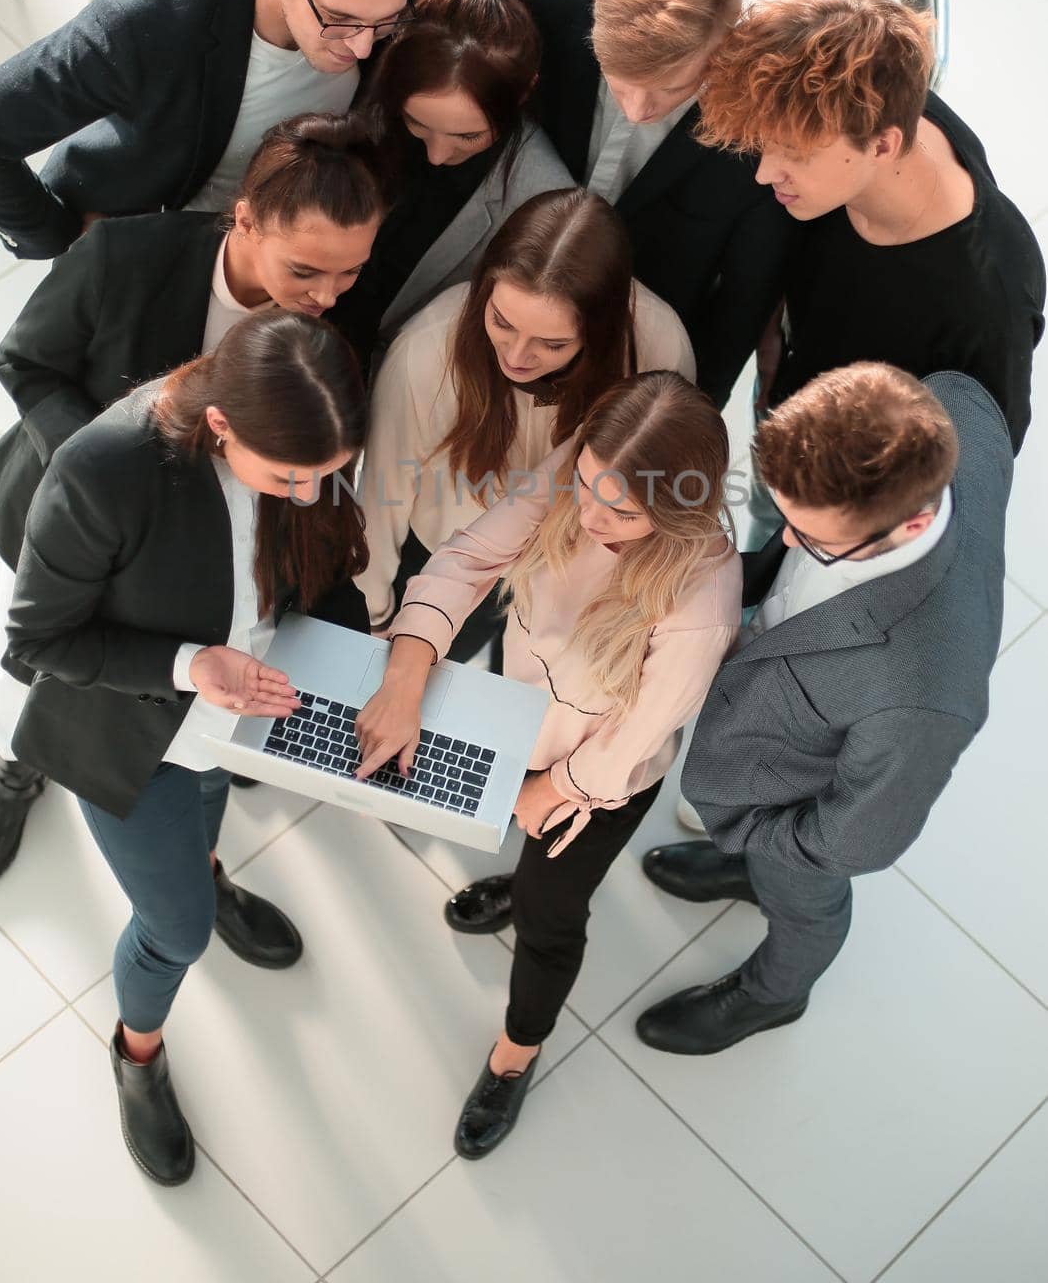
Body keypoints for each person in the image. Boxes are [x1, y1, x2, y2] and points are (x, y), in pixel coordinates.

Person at [4, 313, 370, 1184]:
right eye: (292, 477)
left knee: (205, 819)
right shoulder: (103, 471)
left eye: (329, 475)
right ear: (219, 425)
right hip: (132, 731)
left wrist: (368, 678)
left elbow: (319, 569)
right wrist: (189, 664)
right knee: (175, 930)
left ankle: (202, 868)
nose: (311, 494)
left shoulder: (297, 448)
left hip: (236, 721)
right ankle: (137, 1053)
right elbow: (36, 642)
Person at [0, 112, 386, 885]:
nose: (328, 296)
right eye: (306, 271)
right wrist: (101, 469)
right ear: (245, 220)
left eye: (350, 273)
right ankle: (15, 767)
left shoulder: (325, 322)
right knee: (34, 663)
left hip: (207, 548)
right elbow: (25, 362)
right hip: (73, 518)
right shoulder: (125, 256)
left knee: (170, 673)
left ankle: (195, 858)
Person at [355, 372, 742, 1156]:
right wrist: (405, 670)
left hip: (595, 780)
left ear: (675, 511)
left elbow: (636, 739)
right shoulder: (575, 471)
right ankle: (516, 876)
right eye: (588, 486)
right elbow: (465, 561)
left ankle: (515, 1054)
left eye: (619, 509)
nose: (590, 513)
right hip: (520, 716)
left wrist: (555, 787)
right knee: (513, 841)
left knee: (550, 917)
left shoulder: (700, 600)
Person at [635, 363, 1010, 1056]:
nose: (784, 541)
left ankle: (772, 996)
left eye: (812, 538)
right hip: (769, 768)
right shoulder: (954, 402)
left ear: (913, 519)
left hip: (795, 809)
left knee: (805, 900)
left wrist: (763, 836)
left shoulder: (918, 693)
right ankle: (742, 864)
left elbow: (855, 840)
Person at [0, 0, 458, 259]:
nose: (361, 46)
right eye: (340, 19)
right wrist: (60, 237)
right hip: (160, 241)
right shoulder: (153, 21)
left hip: (301, 241)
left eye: (384, 23)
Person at [695, 0, 1045, 454]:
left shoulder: (987, 308)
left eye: (793, 154)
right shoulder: (873, 106)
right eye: (765, 148)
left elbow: (972, 475)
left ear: (883, 145)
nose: (764, 173)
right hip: (790, 394)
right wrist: (773, 325)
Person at [355, 187, 696, 651]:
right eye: (501, 321)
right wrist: (372, 616)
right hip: (450, 566)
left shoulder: (659, 345)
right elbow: (381, 498)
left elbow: (662, 487)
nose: (516, 357)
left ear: (600, 330)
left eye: (552, 344)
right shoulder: (425, 350)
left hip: (579, 579)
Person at [516, 0, 796, 409]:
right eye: (619, 82)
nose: (638, 110)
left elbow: (741, 302)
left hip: (631, 352)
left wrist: (688, 417)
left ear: (723, 46)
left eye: (670, 88)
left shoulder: (764, 132)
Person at [332, 0, 573, 369]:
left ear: (523, 93)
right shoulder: (362, 97)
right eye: (417, 123)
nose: (437, 155)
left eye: (468, 136)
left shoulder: (542, 202)